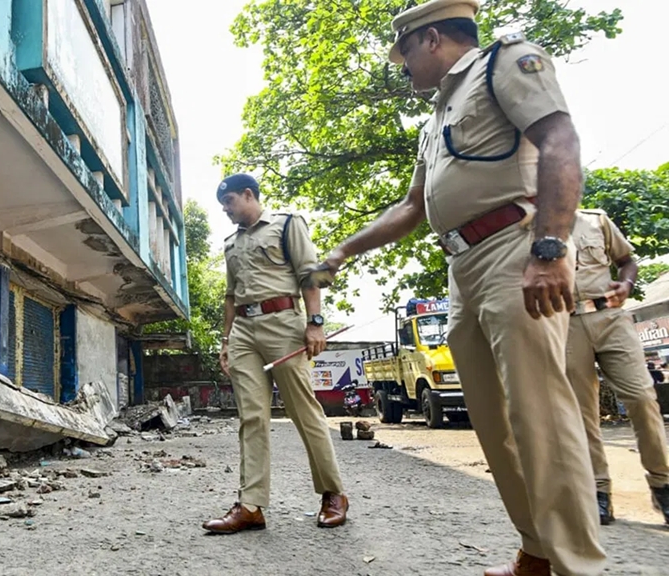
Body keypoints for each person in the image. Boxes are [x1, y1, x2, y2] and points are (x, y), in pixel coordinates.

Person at [310, 0, 604, 574]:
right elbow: (411, 207)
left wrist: (549, 247)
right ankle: (537, 551)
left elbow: (559, 140)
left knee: (540, 416)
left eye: (405, 54)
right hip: (463, 268)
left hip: (515, 246)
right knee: (492, 423)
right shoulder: (435, 119)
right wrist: (344, 250)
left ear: (432, 38)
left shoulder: (503, 64)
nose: (403, 69)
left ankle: (578, 566)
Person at [203, 173, 348, 534]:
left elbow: (310, 276)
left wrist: (315, 323)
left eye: (229, 202)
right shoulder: (231, 244)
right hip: (243, 331)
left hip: (283, 323)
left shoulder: (286, 225)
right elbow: (230, 296)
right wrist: (225, 341)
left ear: (248, 195)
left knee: (303, 409)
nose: (225, 210)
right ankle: (251, 505)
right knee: (251, 416)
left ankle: (333, 494)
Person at [567, 209, 669, 525]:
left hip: (610, 317)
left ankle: (662, 483)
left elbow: (627, 261)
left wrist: (626, 284)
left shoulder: (595, 220)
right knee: (582, 412)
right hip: (564, 324)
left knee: (642, 397)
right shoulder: (527, 230)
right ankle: (598, 490)